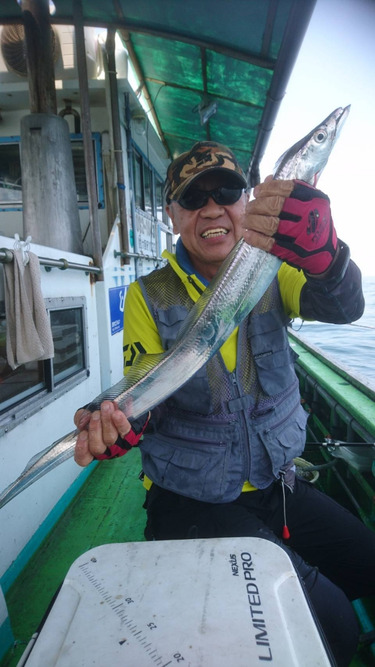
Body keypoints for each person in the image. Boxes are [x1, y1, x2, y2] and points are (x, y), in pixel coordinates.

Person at [74, 141, 374, 666]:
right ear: (173, 215)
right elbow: (143, 384)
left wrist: (330, 258)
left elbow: (344, 306)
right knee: (335, 626)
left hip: (277, 483)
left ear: (249, 204)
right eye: (193, 199)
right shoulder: (150, 294)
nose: (212, 208)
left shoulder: (274, 268)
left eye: (226, 192)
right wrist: (120, 421)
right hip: (192, 497)